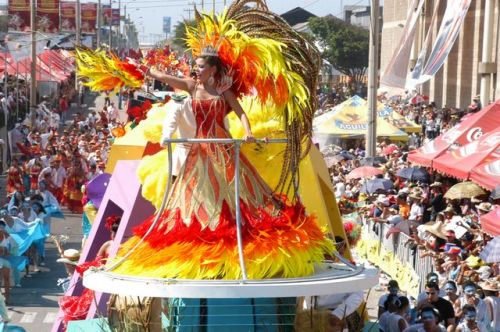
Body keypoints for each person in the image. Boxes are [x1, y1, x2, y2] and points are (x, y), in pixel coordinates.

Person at [108, 45, 331, 279]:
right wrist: (147, 70)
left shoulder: (223, 90)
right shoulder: (191, 86)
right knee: (197, 196)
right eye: (195, 65)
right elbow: (165, 77)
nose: (196, 69)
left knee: (235, 193)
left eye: (201, 66)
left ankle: (234, 241)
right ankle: (206, 239)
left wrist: (247, 132)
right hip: (198, 150)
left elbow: (241, 112)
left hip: (222, 146)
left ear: (213, 69)